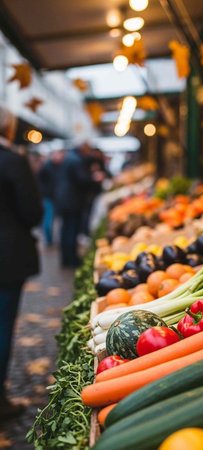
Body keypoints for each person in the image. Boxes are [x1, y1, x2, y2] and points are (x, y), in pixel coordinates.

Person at [0, 106, 43, 418]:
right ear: (9, 127)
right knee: (1, 327)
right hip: (6, 257)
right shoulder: (13, 161)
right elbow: (32, 213)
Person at [55, 142, 104, 267]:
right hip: (72, 201)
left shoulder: (69, 157)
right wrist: (94, 178)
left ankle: (66, 259)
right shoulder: (76, 160)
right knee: (71, 230)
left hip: (64, 199)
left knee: (65, 229)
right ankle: (71, 260)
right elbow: (82, 180)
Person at [38, 150, 64, 246]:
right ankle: (48, 240)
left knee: (53, 220)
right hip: (47, 197)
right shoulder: (47, 166)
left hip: (54, 196)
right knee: (48, 220)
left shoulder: (57, 166)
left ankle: (51, 239)